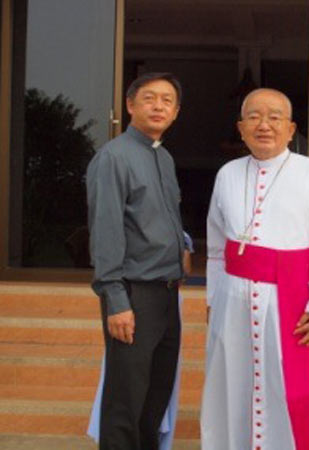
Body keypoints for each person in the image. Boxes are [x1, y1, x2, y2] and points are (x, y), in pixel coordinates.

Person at [201, 88, 309, 450]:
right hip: (232, 301)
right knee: (232, 384)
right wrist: (213, 298)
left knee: (291, 391)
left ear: (292, 127)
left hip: (294, 301)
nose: (264, 125)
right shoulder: (228, 174)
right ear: (240, 127)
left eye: (274, 117)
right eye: (254, 116)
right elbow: (217, 249)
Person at [86, 72, 184, 450]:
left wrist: (182, 247)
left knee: (153, 400)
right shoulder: (113, 158)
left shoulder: (164, 157)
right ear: (130, 105)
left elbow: (157, 218)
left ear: (176, 112)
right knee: (125, 403)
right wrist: (116, 300)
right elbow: (106, 233)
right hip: (133, 295)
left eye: (167, 100)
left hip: (165, 294)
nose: (158, 106)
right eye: (149, 98)